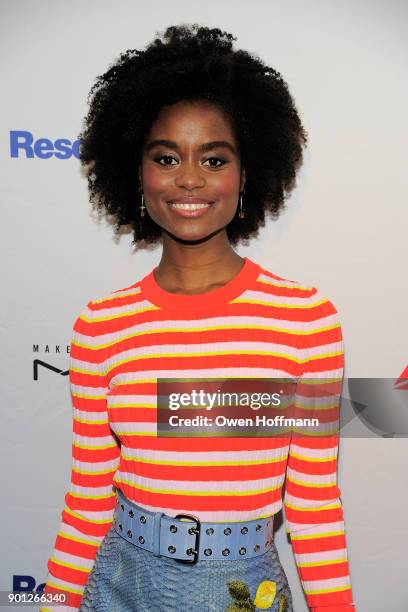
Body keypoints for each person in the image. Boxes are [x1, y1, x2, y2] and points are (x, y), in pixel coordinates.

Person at [41, 24, 356, 612]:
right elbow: (87, 493)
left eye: (214, 158)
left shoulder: (305, 320)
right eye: (166, 157)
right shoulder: (100, 325)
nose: (188, 179)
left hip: (239, 588)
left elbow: (313, 501)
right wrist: (53, 602)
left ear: (246, 174)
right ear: (138, 175)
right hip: (114, 581)